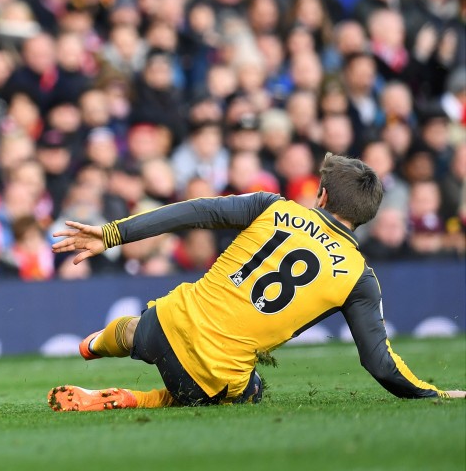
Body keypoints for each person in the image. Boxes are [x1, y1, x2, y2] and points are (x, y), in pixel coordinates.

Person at [47, 154, 464, 411]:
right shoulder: (359, 277)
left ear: (321, 195)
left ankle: (99, 343)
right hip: (208, 374)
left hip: (163, 323)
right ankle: (135, 399)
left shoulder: (272, 206)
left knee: (144, 325)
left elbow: (193, 211)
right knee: (249, 391)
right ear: (367, 217)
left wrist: (111, 234)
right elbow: (380, 364)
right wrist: (434, 393)